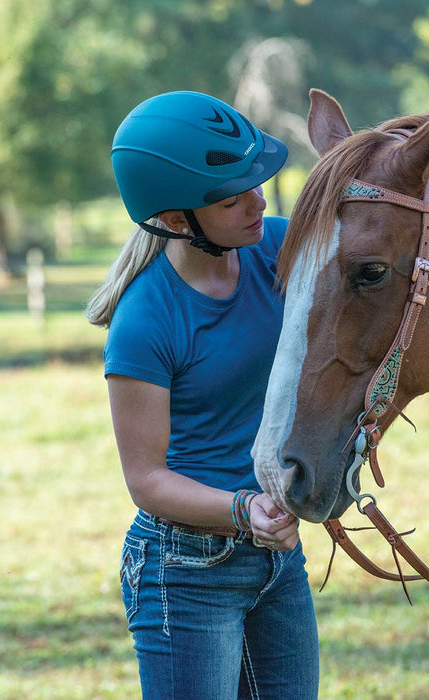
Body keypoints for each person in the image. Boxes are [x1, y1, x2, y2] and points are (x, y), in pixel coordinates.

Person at [86, 90, 319, 699]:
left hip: (276, 558)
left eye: (257, 182)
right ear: (172, 220)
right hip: (184, 572)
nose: (258, 201)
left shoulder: (278, 247)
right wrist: (243, 512)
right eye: (230, 196)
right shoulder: (146, 321)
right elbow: (147, 480)